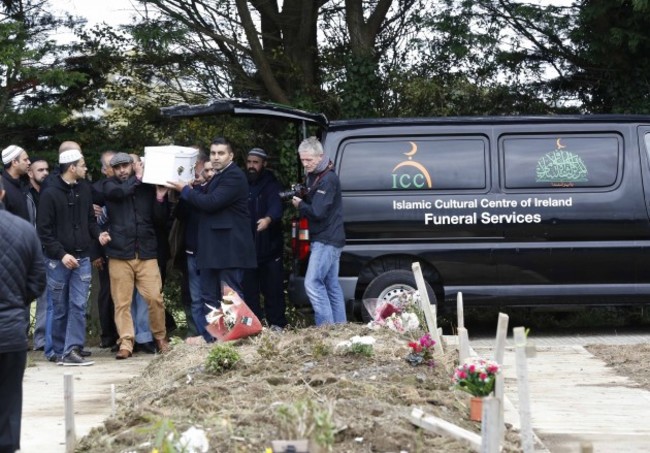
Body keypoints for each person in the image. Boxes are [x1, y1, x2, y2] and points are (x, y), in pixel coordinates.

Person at [167, 137, 256, 333]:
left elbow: (211, 202)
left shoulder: (234, 176)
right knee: (208, 297)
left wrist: (186, 191)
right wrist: (187, 188)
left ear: (230, 155)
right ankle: (216, 337)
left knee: (229, 296)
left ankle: (236, 337)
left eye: (221, 153)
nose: (216, 157)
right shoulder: (217, 176)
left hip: (229, 249)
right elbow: (200, 198)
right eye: (213, 153)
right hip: (210, 250)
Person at [37, 149, 110, 365]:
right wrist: (62, 255)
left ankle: (72, 349)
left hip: (83, 258)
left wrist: (99, 234)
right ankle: (58, 350)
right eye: (83, 164)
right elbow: (44, 231)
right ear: (72, 167)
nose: (86, 168)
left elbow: (90, 221)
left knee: (78, 305)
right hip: (57, 261)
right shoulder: (49, 194)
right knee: (60, 308)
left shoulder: (84, 189)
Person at [102, 152, 170, 359]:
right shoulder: (110, 186)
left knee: (155, 298)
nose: (122, 170)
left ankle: (160, 337)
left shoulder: (147, 187)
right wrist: (139, 177)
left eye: (126, 166)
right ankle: (126, 342)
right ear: (112, 170)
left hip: (146, 252)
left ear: (132, 166)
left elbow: (160, 219)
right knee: (122, 302)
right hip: (119, 253)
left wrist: (159, 197)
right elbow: (122, 193)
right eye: (118, 167)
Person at [0, 176, 46, 453]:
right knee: (9, 399)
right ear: (3, 194)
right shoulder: (24, 229)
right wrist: (17, 302)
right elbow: (37, 281)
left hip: (11, 321)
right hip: (11, 329)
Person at [291, 137, 346, 326]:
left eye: (309, 160)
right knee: (331, 285)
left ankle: (325, 329)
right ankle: (340, 328)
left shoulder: (328, 179)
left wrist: (300, 205)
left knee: (312, 283)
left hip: (326, 239)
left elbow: (318, 212)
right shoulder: (314, 174)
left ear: (320, 156)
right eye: (302, 160)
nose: (305, 164)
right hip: (328, 237)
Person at [242, 147, 287, 329]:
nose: (251, 166)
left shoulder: (271, 184)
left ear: (264, 164)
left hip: (269, 247)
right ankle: (253, 327)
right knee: (249, 291)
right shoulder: (241, 183)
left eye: (256, 162)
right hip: (247, 249)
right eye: (249, 162)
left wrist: (268, 219)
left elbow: (276, 206)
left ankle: (277, 325)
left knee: (273, 289)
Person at [91, 151, 120, 351]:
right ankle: (108, 334)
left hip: (126, 246)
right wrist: (95, 253)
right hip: (104, 247)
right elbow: (90, 223)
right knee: (106, 292)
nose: (117, 167)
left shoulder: (129, 185)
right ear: (103, 169)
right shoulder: (95, 190)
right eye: (112, 164)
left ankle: (123, 334)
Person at [27, 157, 50, 351]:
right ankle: (19, 337)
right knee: (22, 294)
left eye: (46, 169)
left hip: (47, 249)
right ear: (30, 173)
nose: (45, 173)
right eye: (40, 170)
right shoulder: (24, 194)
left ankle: (41, 340)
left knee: (45, 295)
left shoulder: (50, 193)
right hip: (27, 250)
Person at [1, 144, 31, 221]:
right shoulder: (2, 187)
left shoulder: (22, 183)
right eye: (25, 160)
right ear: (14, 162)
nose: (29, 162)